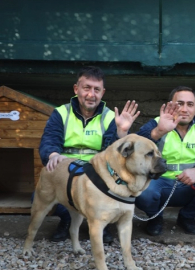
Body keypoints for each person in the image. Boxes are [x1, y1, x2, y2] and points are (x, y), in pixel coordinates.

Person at [38, 66, 140, 243]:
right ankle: (67, 221)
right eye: (87, 88)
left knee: (112, 183)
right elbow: (49, 139)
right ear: (76, 89)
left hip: (97, 172)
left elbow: (113, 152)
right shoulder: (61, 113)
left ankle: (104, 223)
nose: (91, 94)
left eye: (96, 90)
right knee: (42, 195)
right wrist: (52, 155)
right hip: (67, 169)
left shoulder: (110, 118)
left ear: (102, 93)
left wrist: (121, 133)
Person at [135, 86, 195, 236]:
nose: (184, 109)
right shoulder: (158, 123)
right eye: (180, 104)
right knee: (142, 189)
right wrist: (158, 131)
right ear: (171, 105)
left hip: (191, 186)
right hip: (160, 184)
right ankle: (155, 218)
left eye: (190, 105)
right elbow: (136, 148)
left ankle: (187, 217)